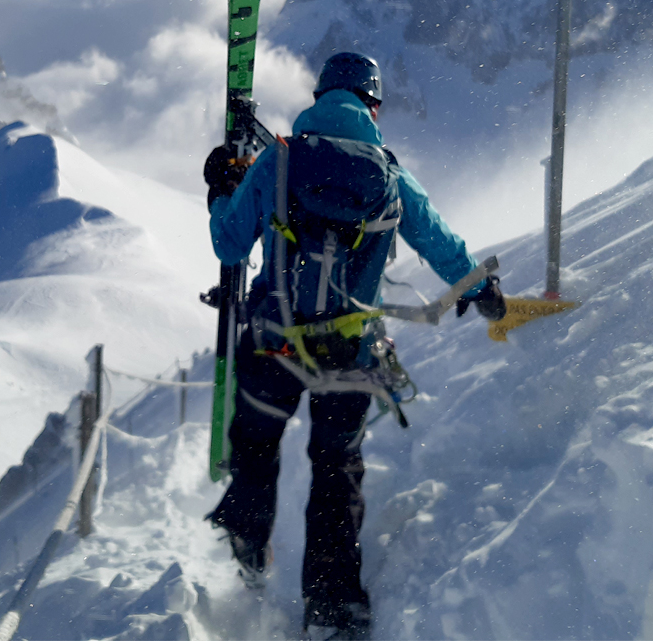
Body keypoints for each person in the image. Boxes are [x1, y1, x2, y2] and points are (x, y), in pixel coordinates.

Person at [202, 52, 504, 639]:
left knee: (257, 446)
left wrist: (221, 187)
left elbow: (229, 245)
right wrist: (480, 286)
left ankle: (248, 538)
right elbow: (439, 241)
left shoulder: (278, 161)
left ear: (318, 96)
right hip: (351, 359)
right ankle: (333, 608)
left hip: (274, 349)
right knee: (336, 468)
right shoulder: (390, 175)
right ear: (373, 105)